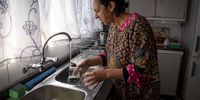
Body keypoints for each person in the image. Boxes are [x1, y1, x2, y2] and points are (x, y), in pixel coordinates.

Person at [73, 0, 160, 99]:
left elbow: (140, 71)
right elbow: (109, 54)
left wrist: (106, 74)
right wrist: (88, 62)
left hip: (140, 95)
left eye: (97, 11)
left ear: (111, 6)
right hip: (121, 92)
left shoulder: (139, 27)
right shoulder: (113, 26)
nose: (96, 16)